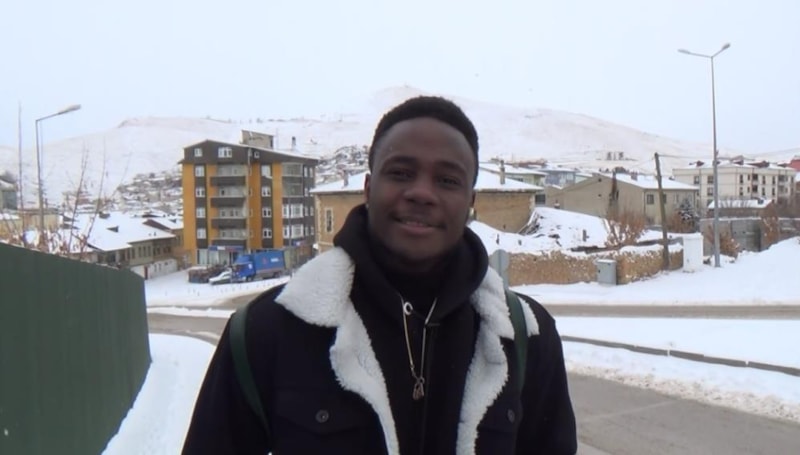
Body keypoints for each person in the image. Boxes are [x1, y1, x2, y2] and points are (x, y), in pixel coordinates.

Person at [182, 96, 577, 454]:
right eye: (401, 173)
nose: (422, 192)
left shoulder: (524, 336)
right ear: (368, 188)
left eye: (447, 180)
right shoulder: (267, 331)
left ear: (470, 201)